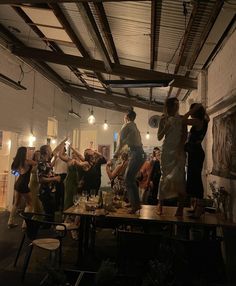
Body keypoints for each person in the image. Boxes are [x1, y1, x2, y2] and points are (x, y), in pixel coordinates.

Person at [157, 98, 187, 216]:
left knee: (179, 177)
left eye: (177, 106)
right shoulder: (163, 119)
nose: (176, 108)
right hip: (166, 150)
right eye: (173, 106)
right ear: (168, 107)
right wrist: (166, 127)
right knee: (164, 177)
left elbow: (184, 135)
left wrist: (180, 149)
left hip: (178, 150)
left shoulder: (181, 118)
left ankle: (180, 207)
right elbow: (159, 137)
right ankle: (160, 204)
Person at [114, 109, 146, 214]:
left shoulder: (127, 126)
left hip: (137, 154)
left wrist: (116, 154)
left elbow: (121, 142)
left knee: (128, 179)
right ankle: (135, 203)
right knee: (130, 179)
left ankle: (135, 205)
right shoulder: (134, 127)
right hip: (140, 154)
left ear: (126, 117)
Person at [184, 103, 209, 217]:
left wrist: (192, 110)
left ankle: (199, 209)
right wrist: (200, 108)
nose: (191, 112)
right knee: (194, 179)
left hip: (196, 154)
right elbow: (207, 117)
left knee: (196, 180)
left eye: (192, 110)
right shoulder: (204, 120)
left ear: (195, 111)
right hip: (196, 153)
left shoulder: (198, 121)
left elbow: (183, 120)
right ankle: (196, 207)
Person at [8, 147, 37, 228]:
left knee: (16, 203)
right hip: (23, 184)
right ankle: (25, 224)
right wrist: (34, 155)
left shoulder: (17, 161)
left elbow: (14, 172)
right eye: (27, 151)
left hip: (18, 183)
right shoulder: (27, 161)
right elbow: (36, 163)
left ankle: (10, 222)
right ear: (24, 153)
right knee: (30, 204)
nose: (28, 152)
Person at [38, 145, 61, 222]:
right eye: (50, 149)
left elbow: (55, 151)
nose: (51, 150)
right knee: (48, 211)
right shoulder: (41, 163)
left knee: (51, 210)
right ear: (47, 151)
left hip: (50, 190)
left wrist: (64, 141)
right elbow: (41, 179)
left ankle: (49, 227)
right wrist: (55, 178)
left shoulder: (47, 161)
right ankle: (46, 229)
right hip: (45, 190)